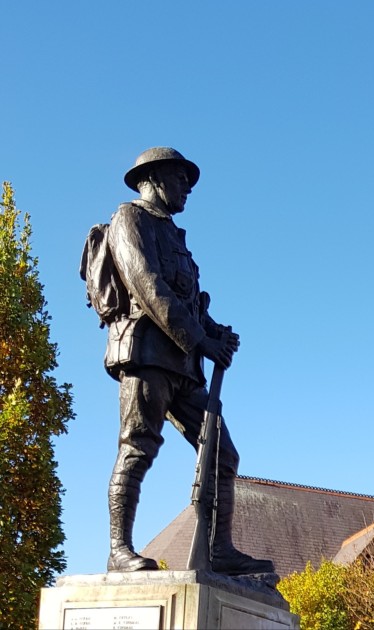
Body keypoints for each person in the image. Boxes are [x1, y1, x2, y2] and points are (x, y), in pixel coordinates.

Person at [102, 147, 273, 575]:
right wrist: (200, 340)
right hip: (146, 355)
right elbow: (148, 285)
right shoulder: (130, 219)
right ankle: (119, 549)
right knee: (137, 447)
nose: (187, 188)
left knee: (221, 454)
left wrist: (213, 331)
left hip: (183, 365)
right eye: (181, 179)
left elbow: (188, 301)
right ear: (154, 178)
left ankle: (218, 549)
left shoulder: (173, 234)